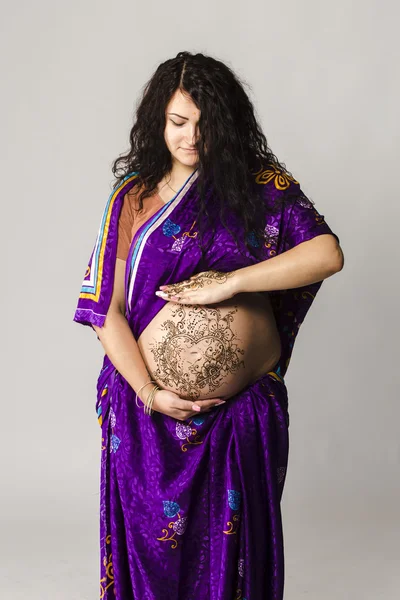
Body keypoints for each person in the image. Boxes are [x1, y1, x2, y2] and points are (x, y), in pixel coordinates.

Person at [73, 51, 344, 600]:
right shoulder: (133, 198)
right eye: (177, 122)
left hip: (237, 416)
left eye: (204, 124)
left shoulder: (260, 187)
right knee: (153, 563)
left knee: (233, 563)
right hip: (148, 415)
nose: (190, 138)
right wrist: (150, 391)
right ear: (158, 121)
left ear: (228, 125)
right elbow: (107, 311)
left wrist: (232, 281)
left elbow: (327, 254)